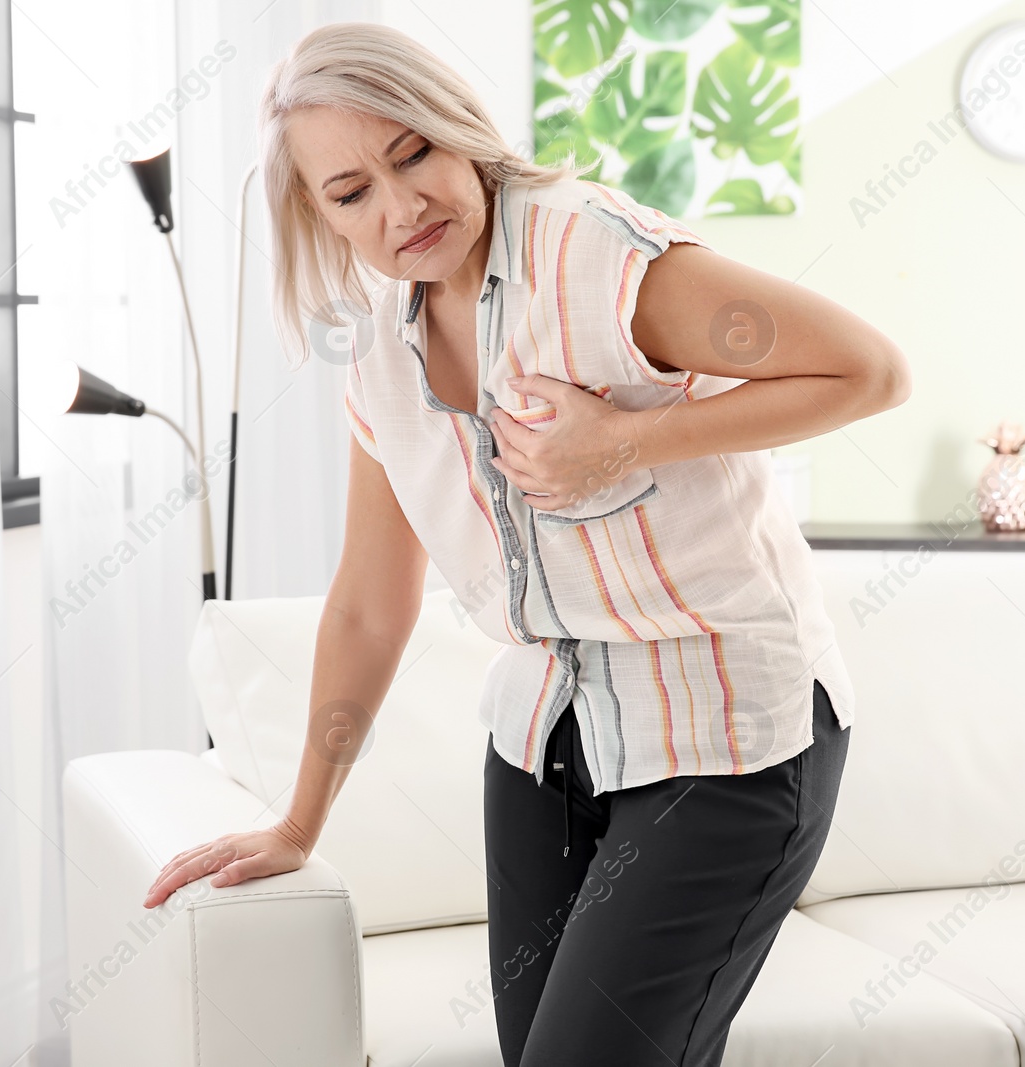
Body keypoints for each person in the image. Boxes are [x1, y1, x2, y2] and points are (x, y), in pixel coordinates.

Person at [143, 20, 910, 1066]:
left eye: (412, 153)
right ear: (316, 214)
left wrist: (629, 437)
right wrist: (298, 820)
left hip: (728, 739)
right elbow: (371, 601)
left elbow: (867, 369)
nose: (400, 209)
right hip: (544, 742)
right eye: (350, 191)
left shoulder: (590, 255)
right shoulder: (377, 353)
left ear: (458, 130)